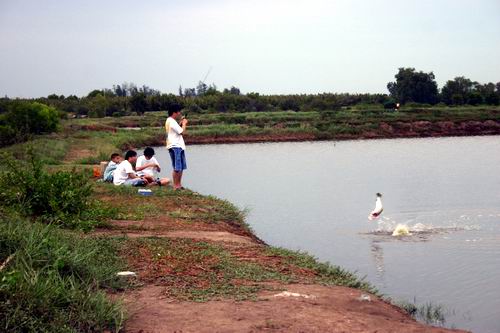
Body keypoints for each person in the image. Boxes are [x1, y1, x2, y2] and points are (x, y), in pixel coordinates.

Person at [165, 109, 187, 190]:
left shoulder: (171, 121)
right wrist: (184, 123)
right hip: (175, 146)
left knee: (180, 167)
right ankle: (175, 186)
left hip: (179, 146)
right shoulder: (171, 121)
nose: (179, 114)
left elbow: (177, 130)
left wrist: (181, 123)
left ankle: (179, 185)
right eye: (178, 112)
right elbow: (182, 132)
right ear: (174, 112)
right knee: (177, 167)